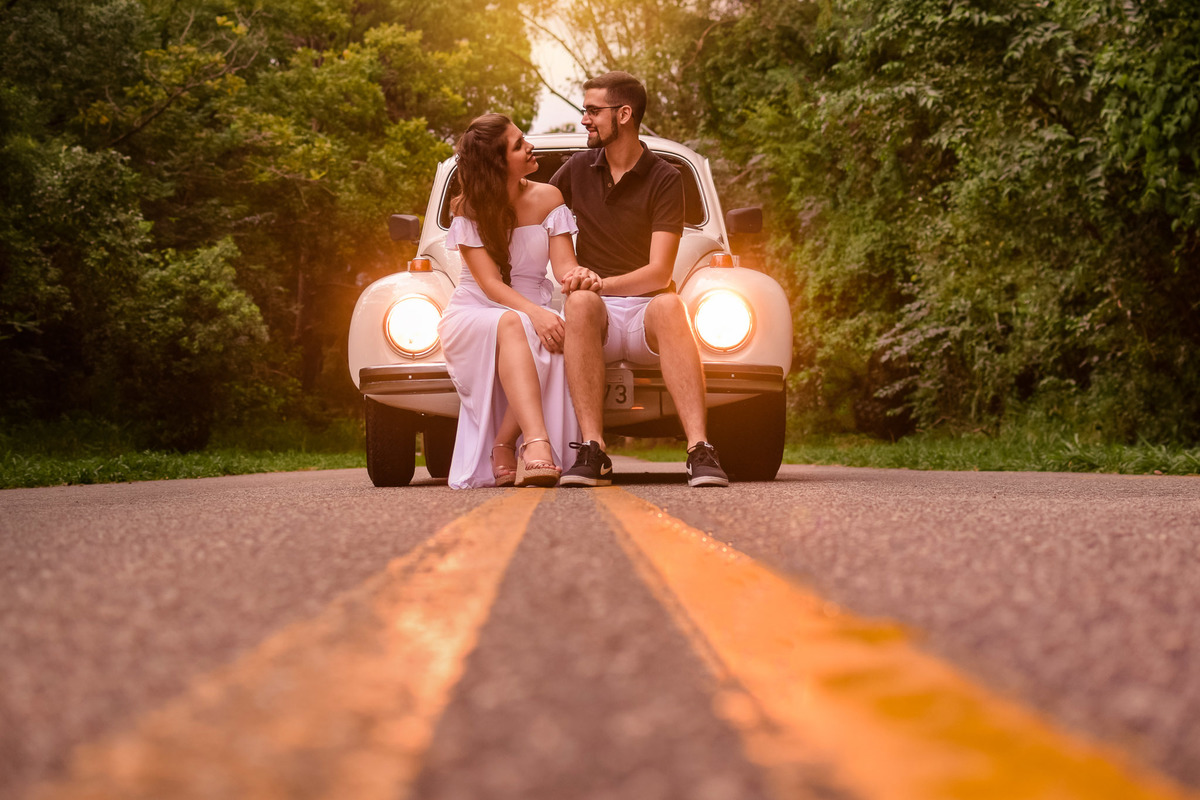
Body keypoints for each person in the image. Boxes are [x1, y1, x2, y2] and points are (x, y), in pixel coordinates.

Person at [550, 71, 729, 488]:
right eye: (585, 111)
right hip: (599, 319)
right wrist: (478, 197)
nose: (584, 120)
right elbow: (534, 206)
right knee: (578, 302)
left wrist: (598, 282)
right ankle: (594, 450)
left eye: (593, 111)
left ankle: (699, 450)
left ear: (624, 114)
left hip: (647, 312)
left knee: (671, 302)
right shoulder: (577, 169)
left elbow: (659, 272)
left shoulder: (665, 177)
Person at [437, 113, 585, 488]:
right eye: (518, 145)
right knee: (517, 323)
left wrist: (580, 279)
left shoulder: (549, 197)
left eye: (523, 138)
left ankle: (503, 444)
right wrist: (536, 313)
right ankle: (536, 444)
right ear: (497, 163)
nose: (529, 146)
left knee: (548, 332)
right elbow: (488, 284)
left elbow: (565, 265)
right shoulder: (467, 208)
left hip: (530, 308)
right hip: (477, 310)